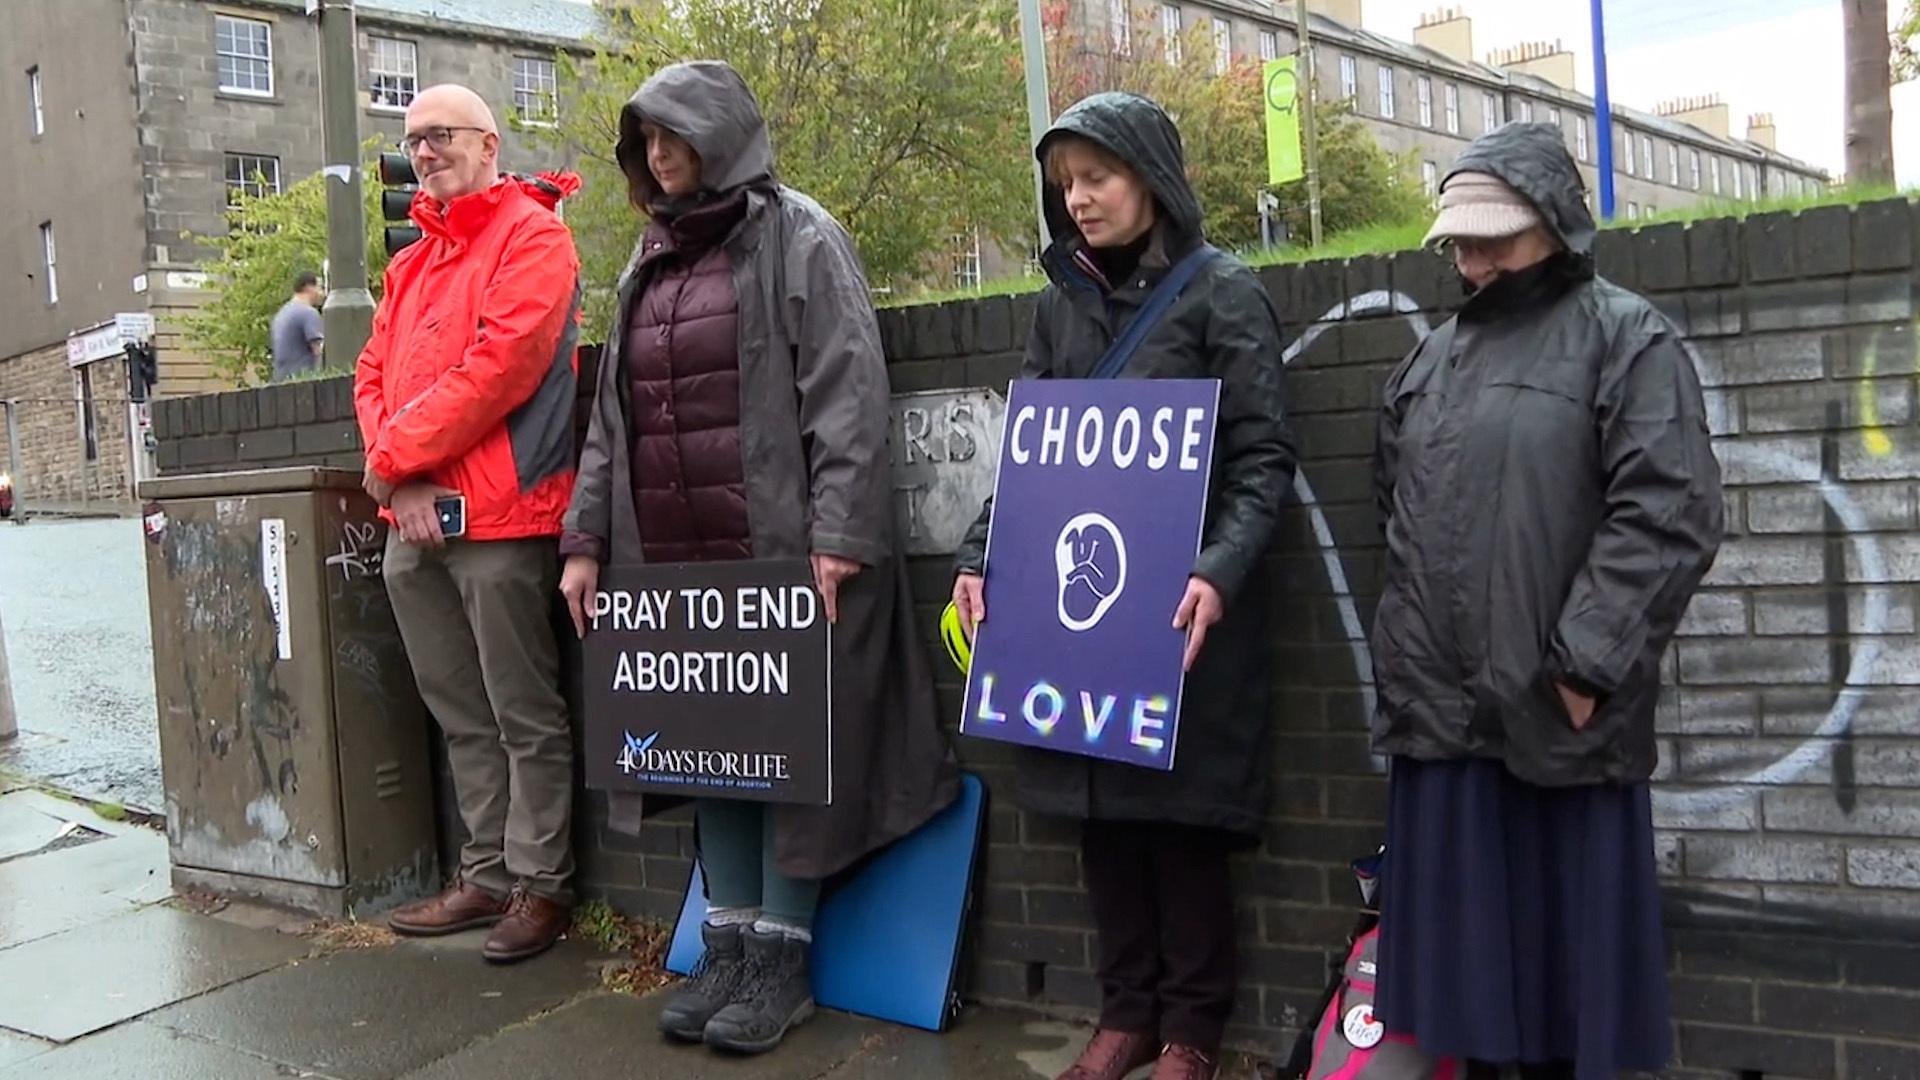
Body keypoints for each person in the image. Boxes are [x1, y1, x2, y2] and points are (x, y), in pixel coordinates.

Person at [558, 61, 959, 1056]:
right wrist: (585, 542)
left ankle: (782, 961)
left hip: (781, 562)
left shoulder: (803, 238)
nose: (657, 154)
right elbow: (608, 426)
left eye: (673, 132)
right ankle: (729, 945)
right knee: (710, 755)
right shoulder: (645, 262)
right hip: (678, 570)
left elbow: (848, 402)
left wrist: (839, 539)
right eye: (643, 139)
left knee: (790, 764)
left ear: (722, 131)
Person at [1368, 122, 1724, 1080]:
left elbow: (1670, 511)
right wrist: (1404, 666)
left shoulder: (1625, 336)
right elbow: (1396, 519)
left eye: (1496, 237)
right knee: (1474, 1009)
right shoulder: (1428, 362)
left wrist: (1582, 668)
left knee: (1570, 1009)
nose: (1474, 259)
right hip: (1444, 731)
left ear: (1555, 225)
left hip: (1561, 722)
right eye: (1461, 241)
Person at [951, 92, 1295, 1080]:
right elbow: (1027, 458)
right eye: (1067, 184)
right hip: (1075, 613)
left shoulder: (1222, 295)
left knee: (1179, 825)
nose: (1079, 199)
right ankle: (1126, 1012)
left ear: (1151, 176)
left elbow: (1264, 459)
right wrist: (982, 557)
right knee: (1101, 821)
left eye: (1096, 177)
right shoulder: (1060, 304)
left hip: (1181, 615)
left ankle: (1191, 1030)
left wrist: (1217, 571)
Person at [353, 84, 584, 964]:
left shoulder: (533, 235)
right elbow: (370, 374)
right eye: (414, 140)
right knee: (461, 712)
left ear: (489, 143)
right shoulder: (411, 263)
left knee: (524, 712)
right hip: (414, 521)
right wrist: (397, 474)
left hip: (501, 519)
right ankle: (486, 874)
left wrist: (396, 462)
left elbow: (502, 369)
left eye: (441, 135)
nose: (425, 151)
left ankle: (541, 884)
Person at [270, 271, 325, 382]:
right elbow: (319, 351)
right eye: (320, 288)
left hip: (281, 381)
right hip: (303, 381)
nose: (322, 293)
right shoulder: (308, 313)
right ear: (309, 288)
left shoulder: (281, 314)